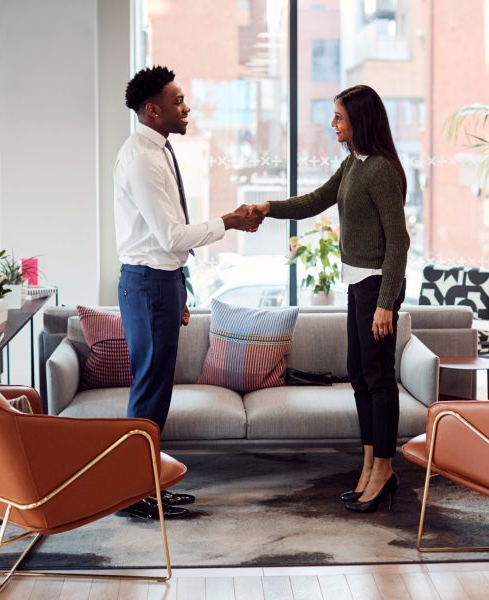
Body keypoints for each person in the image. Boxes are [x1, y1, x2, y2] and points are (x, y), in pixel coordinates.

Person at [252, 85, 409, 514]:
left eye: (338, 117)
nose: (333, 123)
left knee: (378, 381)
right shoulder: (353, 165)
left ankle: (384, 470)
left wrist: (385, 303)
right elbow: (313, 201)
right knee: (359, 376)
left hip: (378, 287)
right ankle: (367, 466)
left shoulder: (380, 170)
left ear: (360, 120)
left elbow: (399, 242)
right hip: (359, 286)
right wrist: (268, 207)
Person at [114, 66, 262, 520]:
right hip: (148, 283)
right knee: (150, 392)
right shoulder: (141, 157)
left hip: (161, 285)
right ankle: (134, 493)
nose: (187, 107)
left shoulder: (158, 150)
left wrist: (180, 291)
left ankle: (146, 486)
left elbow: (169, 245)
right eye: (178, 101)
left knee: (156, 393)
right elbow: (171, 237)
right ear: (152, 110)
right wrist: (230, 222)